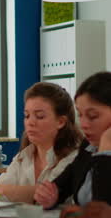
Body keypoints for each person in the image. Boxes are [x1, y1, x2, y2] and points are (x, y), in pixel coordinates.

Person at [0, 82, 82, 203]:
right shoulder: (24, 156)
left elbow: (44, 197)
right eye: (27, 116)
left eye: (40, 116)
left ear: (61, 122)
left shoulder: (74, 158)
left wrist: (13, 191)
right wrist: (28, 192)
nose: (30, 122)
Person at [35, 71, 111, 209]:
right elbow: (60, 187)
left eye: (93, 116)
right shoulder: (89, 147)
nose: (84, 124)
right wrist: (49, 197)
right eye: (80, 115)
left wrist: (106, 153)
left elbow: (101, 208)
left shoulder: (101, 148)